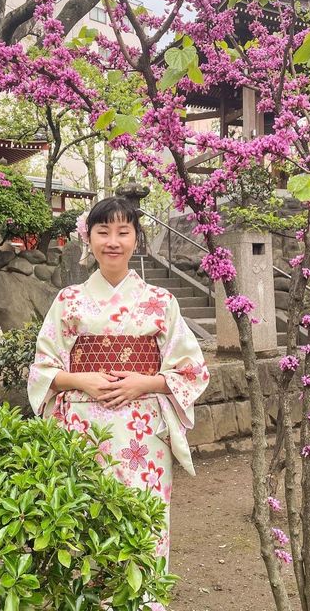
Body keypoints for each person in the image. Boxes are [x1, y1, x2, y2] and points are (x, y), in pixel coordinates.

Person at [27, 196, 209, 566]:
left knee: (145, 522)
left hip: (142, 431)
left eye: (123, 232)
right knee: (84, 522)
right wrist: (82, 381)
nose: (113, 241)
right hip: (81, 430)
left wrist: (146, 383)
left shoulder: (160, 300)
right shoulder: (68, 300)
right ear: (88, 239)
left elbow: (191, 369)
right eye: (103, 231)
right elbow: (42, 370)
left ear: (136, 239)